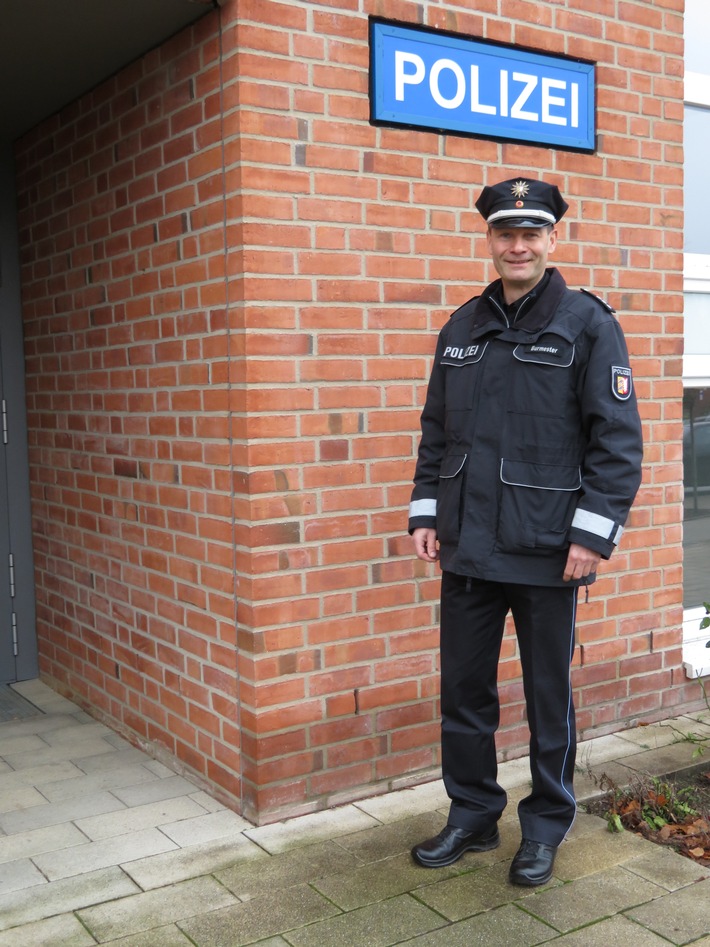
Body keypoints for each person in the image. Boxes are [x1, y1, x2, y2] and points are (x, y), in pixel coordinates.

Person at [408, 177, 643, 886]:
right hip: (469, 549)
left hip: (548, 552)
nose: (517, 244)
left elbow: (617, 442)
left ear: (551, 240)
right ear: (490, 241)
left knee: (547, 698)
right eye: (504, 233)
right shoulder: (462, 327)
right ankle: (473, 814)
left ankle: (544, 825)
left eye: (530, 233)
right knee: (465, 692)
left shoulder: (586, 323)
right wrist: (427, 510)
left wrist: (591, 536)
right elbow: (435, 431)